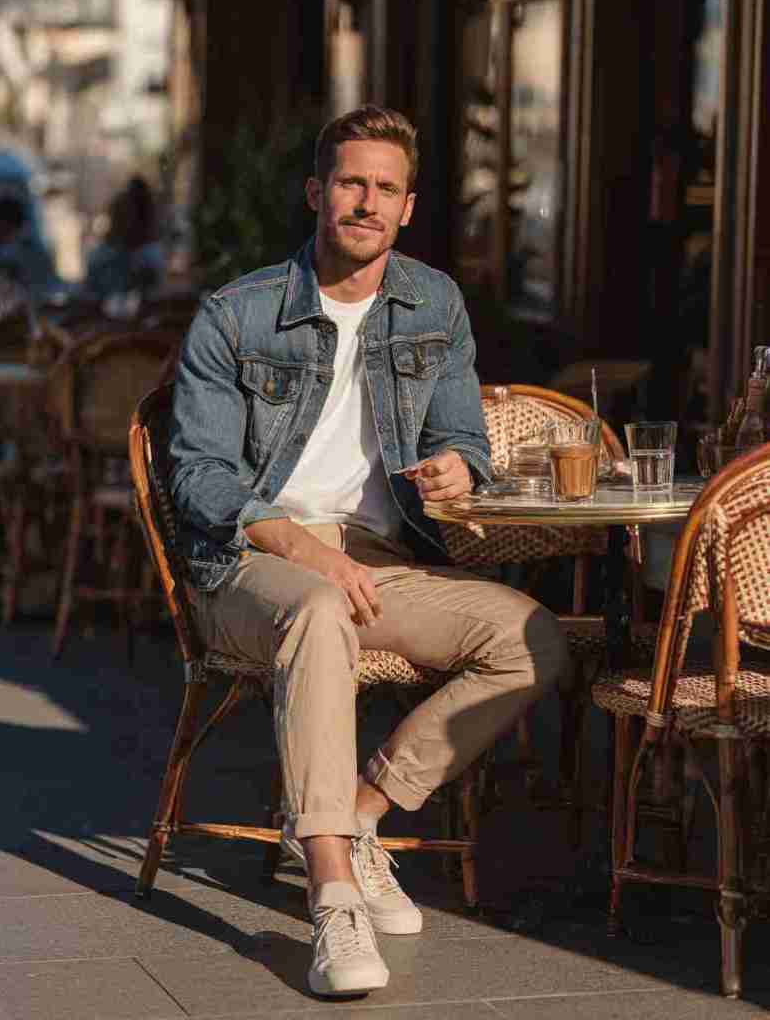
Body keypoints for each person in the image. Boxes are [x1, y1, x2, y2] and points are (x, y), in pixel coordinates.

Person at [169, 105, 570, 998]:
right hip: (250, 560)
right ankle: (332, 896)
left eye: (386, 188)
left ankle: (354, 818)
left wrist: (455, 471)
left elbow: (465, 436)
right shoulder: (236, 316)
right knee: (316, 613)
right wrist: (307, 556)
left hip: (373, 556)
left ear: (409, 206)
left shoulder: (434, 303)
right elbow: (195, 480)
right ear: (317, 191)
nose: (367, 202)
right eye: (351, 182)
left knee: (532, 639)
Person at [83, 175, 164, 304]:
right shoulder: (102, 256)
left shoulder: (149, 256)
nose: (126, 221)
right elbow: (90, 292)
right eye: (119, 216)